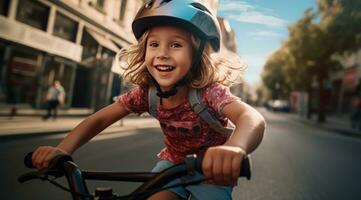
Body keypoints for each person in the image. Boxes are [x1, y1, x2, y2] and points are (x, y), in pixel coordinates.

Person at [31, 0, 265, 199]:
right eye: (154, 44)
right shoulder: (147, 93)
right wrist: (61, 151)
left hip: (214, 168)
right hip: (172, 164)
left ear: (197, 55)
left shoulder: (208, 92)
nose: (162, 53)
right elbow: (98, 120)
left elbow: (251, 117)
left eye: (176, 45)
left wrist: (234, 149)